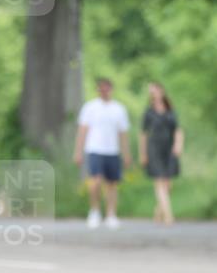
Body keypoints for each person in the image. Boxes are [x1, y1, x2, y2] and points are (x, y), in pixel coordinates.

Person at [74, 78, 132, 229]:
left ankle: (111, 214)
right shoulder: (90, 107)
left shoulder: (119, 109)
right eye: (101, 89)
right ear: (98, 90)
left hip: (112, 150)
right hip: (94, 149)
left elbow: (123, 134)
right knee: (95, 181)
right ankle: (94, 211)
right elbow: (82, 131)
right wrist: (78, 151)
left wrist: (126, 153)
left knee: (112, 184)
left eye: (107, 88)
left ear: (111, 90)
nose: (104, 91)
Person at [139, 82, 184, 225]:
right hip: (154, 148)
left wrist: (178, 145)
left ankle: (158, 211)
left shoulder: (171, 111)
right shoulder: (149, 112)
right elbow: (143, 134)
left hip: (169, 148)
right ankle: (168, 216)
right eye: (151, 92)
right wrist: (143, 153)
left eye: (155, 90)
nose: (153, 93)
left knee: (168, 184)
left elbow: (178, 130)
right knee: (159, 180)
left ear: (162, 91)